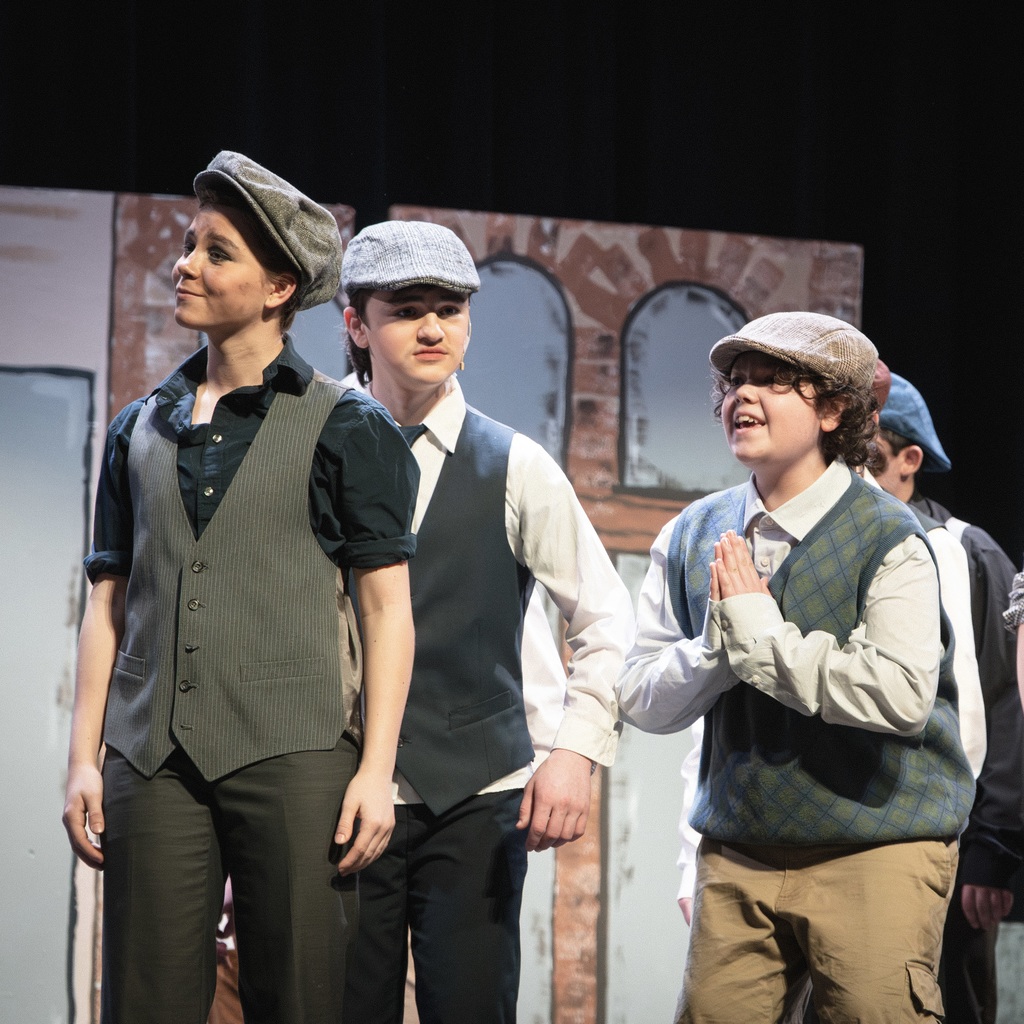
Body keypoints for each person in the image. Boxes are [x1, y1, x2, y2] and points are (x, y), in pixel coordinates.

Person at [61, 151, 419, 1024]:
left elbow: (386, 611)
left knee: (297, 997)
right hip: (152, 758)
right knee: (145, 1002)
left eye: (216, 252)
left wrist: (377, 770)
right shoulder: (138, 427)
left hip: (296, 752)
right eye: (191, 244)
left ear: (278, 288)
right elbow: (108, 604)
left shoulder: (346, 424)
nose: (185, 264)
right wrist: (84, 757)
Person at [618, 311, 975, 1023]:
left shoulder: (892, 536)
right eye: (735, 382)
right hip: (739, 848)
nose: (743, 396)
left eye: (774, 381)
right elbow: (641, 694)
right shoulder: (693, 532)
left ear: (834, 410)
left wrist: (760, 639)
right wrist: (716, 650)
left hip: (875, 845)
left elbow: (901, 694)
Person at [337, 219, 634, 1024]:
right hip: (338, 787)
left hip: (475, 795)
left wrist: (573, 751)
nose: (433, 328)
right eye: (406, 310)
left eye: (450, 309)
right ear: (356, 324)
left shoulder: (514, 463)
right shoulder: (316, 454)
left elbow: (607, 616)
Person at [876, 371, 1024, 1024]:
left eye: (868, 453)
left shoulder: (966, 552)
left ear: (910, 459)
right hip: (846, 834)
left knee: (949, 998)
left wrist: (993, 843)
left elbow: (1005, 698)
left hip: (950, 840)